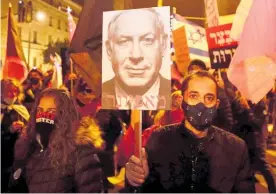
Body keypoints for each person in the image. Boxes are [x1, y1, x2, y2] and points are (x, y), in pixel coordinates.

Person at [124, 71, 255, 192]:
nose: (201, 104)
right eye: (193, 96)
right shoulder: (159, 139)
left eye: (209, 98)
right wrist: (134, 179)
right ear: (182, 101)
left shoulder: (236, 148)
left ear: (217, 104)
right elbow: (144, 188)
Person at [9, 88, 104, 193]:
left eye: (51, 111)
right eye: (40, 110)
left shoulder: (81, 151)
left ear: (65, 115)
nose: (44, 116)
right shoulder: (29, 147)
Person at [102, 8, 171, 110]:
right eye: (124, 41)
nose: (136, 55)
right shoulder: (95, 100)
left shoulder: (177, 99)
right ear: (109, 49)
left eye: (148, 40)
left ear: (164, 45)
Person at [1, 78, 29, 193]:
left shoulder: (21, 110)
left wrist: (25, 130)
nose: (13, 95)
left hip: (19, 161)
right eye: (9, 91)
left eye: (15, 91)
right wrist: (8, 131)